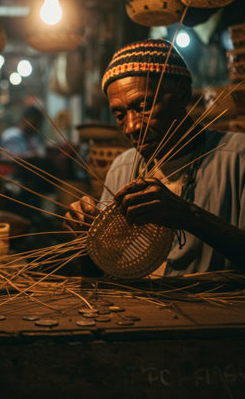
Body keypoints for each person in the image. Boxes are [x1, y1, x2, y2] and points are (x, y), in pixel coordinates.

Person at [65, 39, 245, 276]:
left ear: (182, 93)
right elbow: (105, 270)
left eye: (144, 105)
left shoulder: (237, 156)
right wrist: (87, 244)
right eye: (120, 115)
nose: (131, 127)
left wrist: (190, 217)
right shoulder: (123, 167)